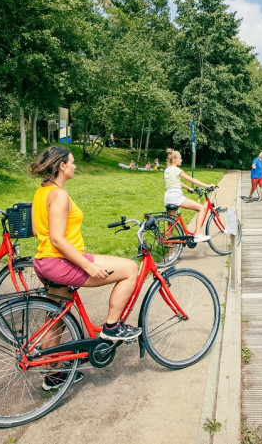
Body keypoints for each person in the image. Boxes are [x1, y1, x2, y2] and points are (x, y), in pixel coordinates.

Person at [30, 146, 142, 345]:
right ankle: (112, 326)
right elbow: (57, 239)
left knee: (56, 318)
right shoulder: (59, 195)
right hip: (59, 262)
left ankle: (54, 373)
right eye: (72, 162)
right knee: (130, 268)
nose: (75, 166)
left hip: (44, 262)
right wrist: (87, 265)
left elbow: (36, 230)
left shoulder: (42, 191)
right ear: (62, 166)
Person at [163, 149, 214, 242]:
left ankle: (171, 253)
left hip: (168, 197)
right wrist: (207, 185)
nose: (181, 160)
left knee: (171, 224)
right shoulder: (177, 170)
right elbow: (191, 180)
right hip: (176, 197)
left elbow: (176, 182)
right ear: (174, 160)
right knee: (201, 208)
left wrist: (188, 188)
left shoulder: (167, 170)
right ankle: (197, 235)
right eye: (180, 158)